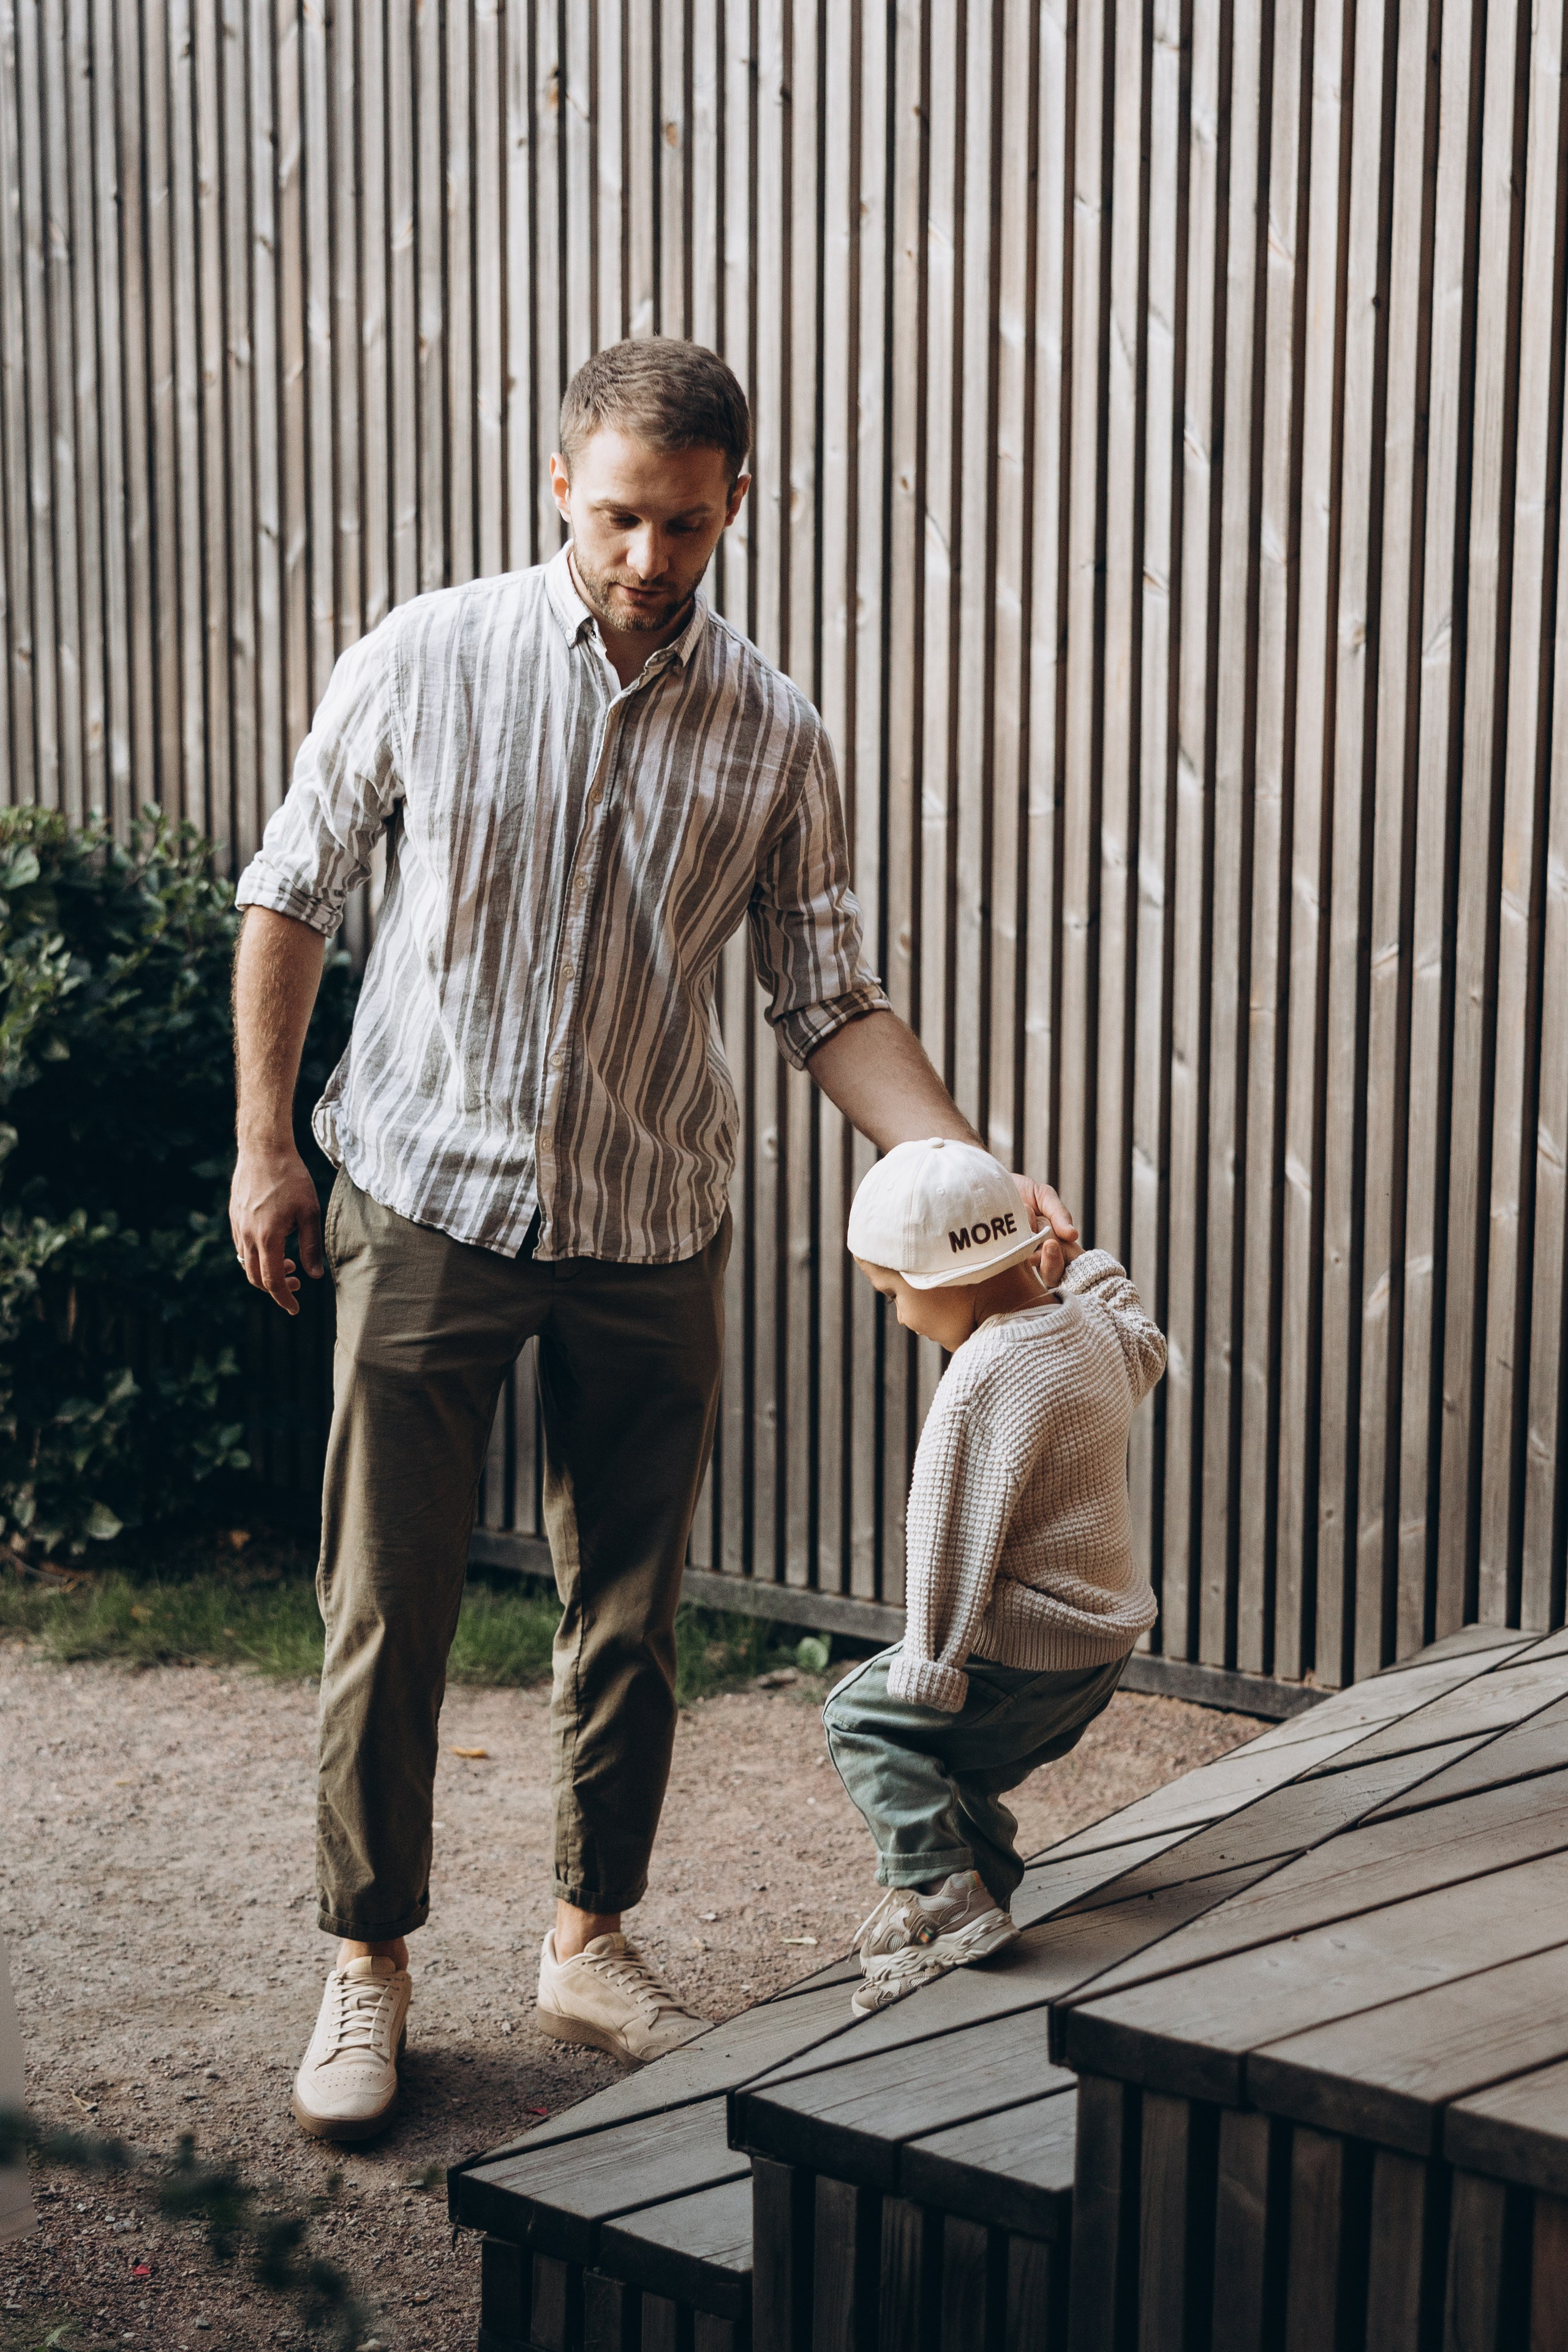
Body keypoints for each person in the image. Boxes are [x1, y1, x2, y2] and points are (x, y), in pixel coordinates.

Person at [227, 337, 1079, 2140]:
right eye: (618, 516)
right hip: (426, 1188)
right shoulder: (425, 654)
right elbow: (292, 891)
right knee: (391, 1601)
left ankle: (586, 1935)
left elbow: (829, 997)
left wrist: (976, 1174)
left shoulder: (775, 728)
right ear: (562, 488)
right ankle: (366, 1961)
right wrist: (264, 1147)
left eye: (682, 525)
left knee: (631, 1608)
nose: (646, 558)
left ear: (735, 506)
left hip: (647, 1215)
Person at [824, 1137, 1165, 2016]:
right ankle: (981, 1904)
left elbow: (948, 1536)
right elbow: (1145, 1341)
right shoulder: (1083, 1323)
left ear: (946, 1277)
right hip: (1101, 1652)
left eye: (894, 1293)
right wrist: (1082, 1262)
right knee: (952, 1765)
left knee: (864, 1720)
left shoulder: (984, 1374)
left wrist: (931, 1664)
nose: (898, 1316)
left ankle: (943, 1896)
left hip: (1033, 1654)